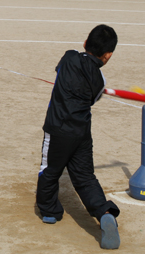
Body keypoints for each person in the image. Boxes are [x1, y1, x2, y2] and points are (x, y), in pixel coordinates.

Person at [36, 24, 120, 250]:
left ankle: (50, 211)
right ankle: (103, 212)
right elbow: (92, 98)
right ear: (107, 56)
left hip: (57, 129)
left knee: (49, 170)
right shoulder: (99, 80)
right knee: (84, 176)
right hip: (82, 132)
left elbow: (62, 69)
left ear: (85, 43)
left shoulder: (69, 57)